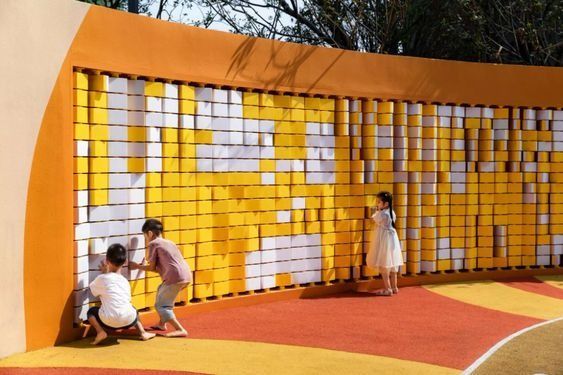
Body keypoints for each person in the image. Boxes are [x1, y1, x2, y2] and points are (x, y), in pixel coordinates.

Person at [129, 218, 192, 337]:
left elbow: (152, 268)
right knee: (161, 292)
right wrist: (143, 266)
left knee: (161, 305)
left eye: (145, 237)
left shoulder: (154, 244)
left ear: (150, 234)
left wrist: (137, 266)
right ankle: (161, 323)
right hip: (186, 275)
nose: (146, 240)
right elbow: (162, 267)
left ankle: (180, 329)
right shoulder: (169, 242)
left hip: (174, 277)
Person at [87, 243, 156, 344]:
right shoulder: (125, 281)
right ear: (124, 262)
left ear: (106, 261)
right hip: (129, 321)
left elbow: (93, 291)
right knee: (133, 309)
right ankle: (142, 332)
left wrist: (104, 273)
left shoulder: (102, 278)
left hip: (108, 323)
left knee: (91, 312)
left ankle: (100, 332)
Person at [366, 191, 403, 296]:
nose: (377, 204)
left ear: (385, 204)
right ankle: (394, 287)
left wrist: (376, 211)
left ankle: (388, 289)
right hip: (392, 239)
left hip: (384, 240)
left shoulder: (382, 214)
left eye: (379, 202)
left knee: (384, 265)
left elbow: (374, 218)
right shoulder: (392, 212)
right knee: (392, 265)